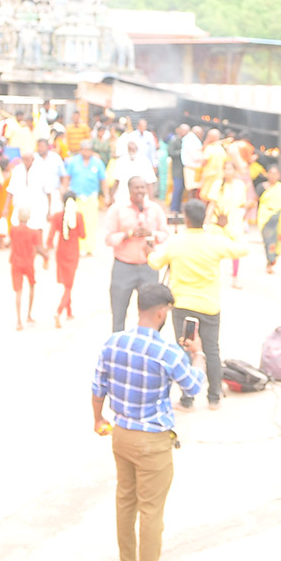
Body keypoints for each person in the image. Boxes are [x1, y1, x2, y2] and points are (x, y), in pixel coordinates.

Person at [92, 282, 206, 561]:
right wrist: (198, 355)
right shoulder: (167, 352)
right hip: (152, 441)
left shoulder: (113, 342)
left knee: (125, 502)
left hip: (121, 435)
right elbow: (192, 386)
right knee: (151, 512)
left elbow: (98, 386)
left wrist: (98, 418)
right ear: (161, 312)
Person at [148, 200, 248, 410]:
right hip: (209, 305)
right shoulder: (214, 241)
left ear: (186, 217)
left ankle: (187, 399)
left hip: (183, 305)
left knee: (185, 350)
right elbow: (242, 249)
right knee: (211, 350)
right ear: (205, 218)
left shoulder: (176, 242)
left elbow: (155, 262)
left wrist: (150, 250)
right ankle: (213, 398)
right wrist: (226, 227)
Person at [103, 177, 169, 332]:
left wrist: (150, 233)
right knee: (119, 313)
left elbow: (165, 233)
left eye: (142, 188)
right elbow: (108, 238)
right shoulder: (117, 209)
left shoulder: (155, 209)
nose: (140, 191)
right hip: (123, 266)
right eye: (136, 188)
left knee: (152, 313)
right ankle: (119, 347)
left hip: (148, 266)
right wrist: (127, 235)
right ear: (129, 190)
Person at [204, 161, 254, 288]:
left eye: (230, 169)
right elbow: (212, 204)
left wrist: (248, 207)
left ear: (235, 171)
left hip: (235, 219)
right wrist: (207, 221)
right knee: (215, 248)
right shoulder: (217, 184)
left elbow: (241, 204)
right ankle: (213, 276)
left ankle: (235, 277)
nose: (228, 172)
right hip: (219, 219)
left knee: (236, 248)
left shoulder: (240, 185)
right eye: (225, 169)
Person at [46, 192, 85, 327]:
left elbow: (50, 237)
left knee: (66, 283)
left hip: (61, 251)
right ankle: (59, 311)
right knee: (69, 284)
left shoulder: (57, 216)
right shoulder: (78, 216)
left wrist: (47, 252)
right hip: (73, 251)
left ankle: (69, 311)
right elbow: (83, 235)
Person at [64, 139, 107, 256]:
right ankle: (76, 247)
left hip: (91, 196)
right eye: (84, 150)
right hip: (76, 196)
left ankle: (88, 248)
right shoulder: (73, 162)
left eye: (88, 150)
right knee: (75, 221)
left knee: (90, 222)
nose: (86, 152)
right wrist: (64, 191)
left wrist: (107, 196)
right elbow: (67, 177)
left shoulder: (97, 163)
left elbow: (103, 180)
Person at [9, 207, 46, 330]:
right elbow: (39, 249)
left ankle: (18, 321)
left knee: (18, 292)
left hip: (16, 263)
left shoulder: (13, 230)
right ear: (29, 218)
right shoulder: (33, 232)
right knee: (31, 287)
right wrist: (46, 257)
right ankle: (28, 315)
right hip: (28, 263)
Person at [256, 164, 281, 273]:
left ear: (279, 175)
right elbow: (256, 201)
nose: (273, 176)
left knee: (277, 239)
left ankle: (273, 258)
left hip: (278, 218)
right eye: (271, 173)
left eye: (275, 174)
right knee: (269, 240)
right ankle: (269, 261)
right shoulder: (261, 187)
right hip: (266, 217)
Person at [166, 124, 188, 215]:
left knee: (183, 191)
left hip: (186, 171)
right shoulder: (175, 140)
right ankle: (174, 209)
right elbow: (170, 152)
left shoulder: (188, 141)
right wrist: (182, 152)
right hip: (177, 170)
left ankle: (180, 209)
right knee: (177, 189)